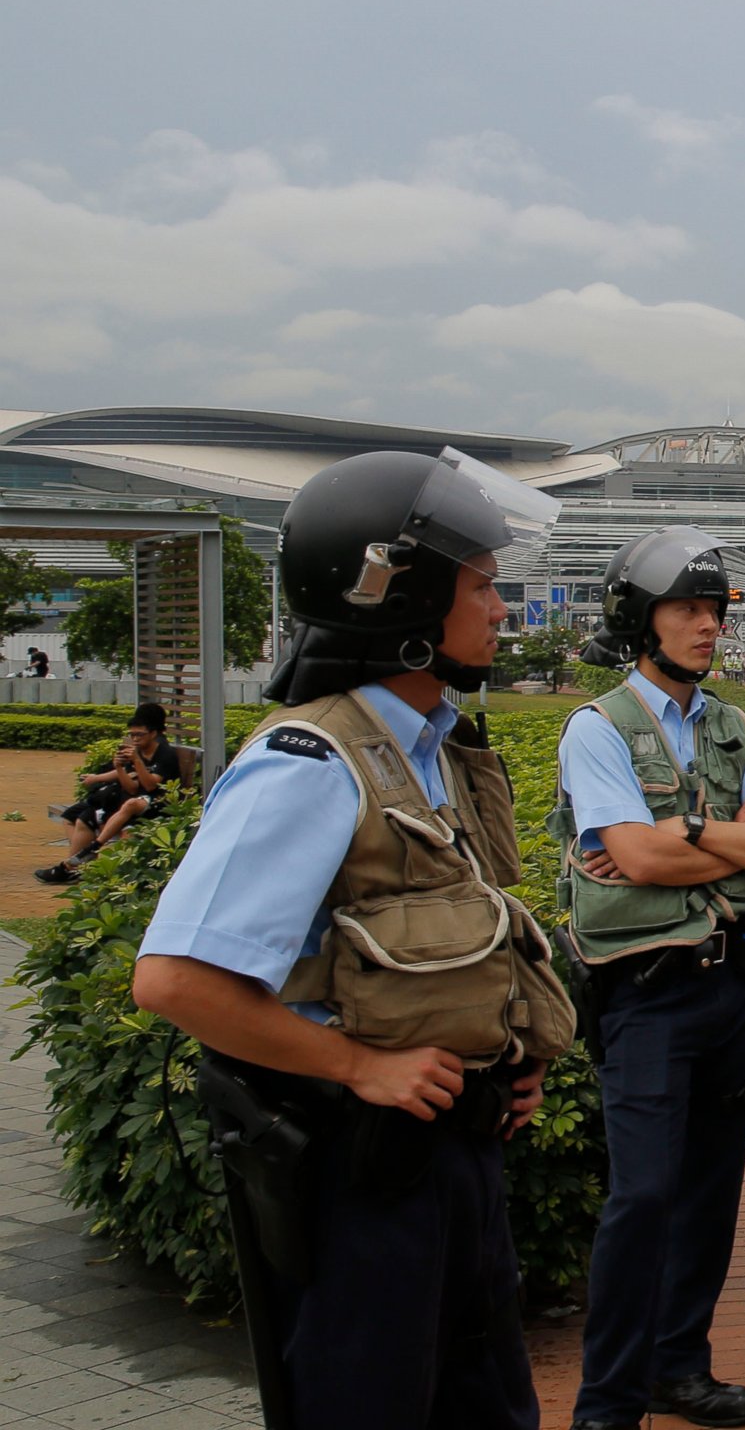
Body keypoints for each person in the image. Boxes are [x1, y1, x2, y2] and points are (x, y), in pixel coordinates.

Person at [132, 448, 575, 1429]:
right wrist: (355, 1066)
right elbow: (173, 981)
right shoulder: (311, 760)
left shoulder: (434, 753)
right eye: (482, 587)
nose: (503, 610)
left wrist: (502, 1059)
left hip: (451, 1162)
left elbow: (447, 952)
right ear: (401, 599)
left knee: (490, 1410)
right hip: (363, 1180)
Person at [556, 526, 745, 1430]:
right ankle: (607, 1400)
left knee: (707, 1193)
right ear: (639, 618)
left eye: (714, 610)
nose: (707, 626)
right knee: (644, 1195)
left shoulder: (740, 727)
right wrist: (724, 842)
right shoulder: (599, 729)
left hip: (736, 986)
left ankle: (679, 1366)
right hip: (648, 995)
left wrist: (688, 838)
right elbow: (630, 855)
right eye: (687, 609)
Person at [39, 702, 186, 881]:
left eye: (139, 734)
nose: (135, 739)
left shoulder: (164, 753)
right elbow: (131, 787)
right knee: (83, 817)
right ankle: (76, 867)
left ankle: (91, 851)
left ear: (153, 732)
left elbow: (150, 787)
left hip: (156, 803)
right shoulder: (139, 750)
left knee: (126, 818)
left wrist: (135, 762)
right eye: (132, 735)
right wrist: (119, 768)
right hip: (135, 800)